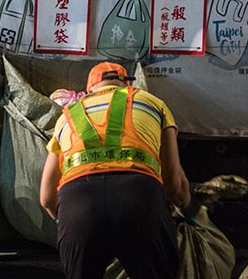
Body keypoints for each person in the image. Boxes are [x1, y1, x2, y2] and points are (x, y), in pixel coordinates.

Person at [39, 61, 191, 279]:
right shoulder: (152, 103)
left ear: (90, 89)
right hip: (139, 200)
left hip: (78, 207)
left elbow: (46, 198)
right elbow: (174, 185)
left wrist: (70, 222)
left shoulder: (67, 115)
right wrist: (186, 209)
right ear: (124, 82)